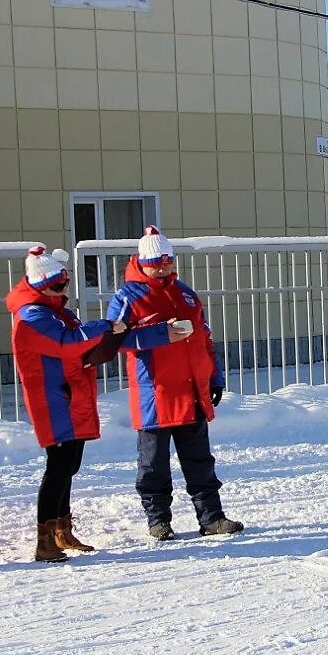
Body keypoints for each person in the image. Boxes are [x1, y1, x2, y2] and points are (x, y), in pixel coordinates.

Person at [106, 226, 244, 541]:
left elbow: (204, 338)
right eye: (156, 261)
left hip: (191, 391)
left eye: (167, 260)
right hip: (155, 394)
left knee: (200, 460)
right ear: (141, 261)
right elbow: (116, 338)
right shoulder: (128, 295)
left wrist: (214, 376)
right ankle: (158, 520)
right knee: (153, 464)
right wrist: (160, 334)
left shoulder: (185, 294)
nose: (163, 267)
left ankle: (211, 518)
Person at [6, 246, 143, 562]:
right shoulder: (32, 314)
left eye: (65, 283)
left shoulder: (54, 309)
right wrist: (105, 327)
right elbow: (66, 343)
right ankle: (45, 538)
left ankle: (61, 530)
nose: (63, 289)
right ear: (41, 284)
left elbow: (75, 341)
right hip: (53, 396)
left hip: (69, 391)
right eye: (57, 285)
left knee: (69, 465)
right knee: (58, 466)